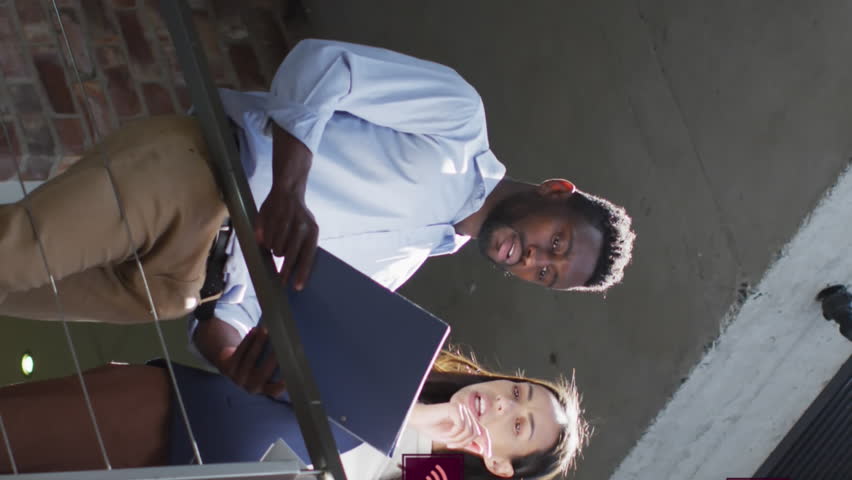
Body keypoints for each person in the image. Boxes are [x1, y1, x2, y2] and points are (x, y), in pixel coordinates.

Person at [0, 39, 634, 391]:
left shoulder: (399, 270)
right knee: (9, 254)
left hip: (173, 291)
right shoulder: (459, 125)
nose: (536, 258)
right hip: (198, 182)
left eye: (548, 272)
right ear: (556, 190)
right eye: (556, 240)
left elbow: (242, 312)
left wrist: (232, 360)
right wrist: (290, 186)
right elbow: (323, 64)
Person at [0, 346, 589, 479]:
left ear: (502, 466)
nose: (505, 403)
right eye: (517, 390)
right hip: (164, 417)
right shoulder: (400, 363)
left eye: (518, 425)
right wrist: (415, 417)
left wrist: (429, 452)